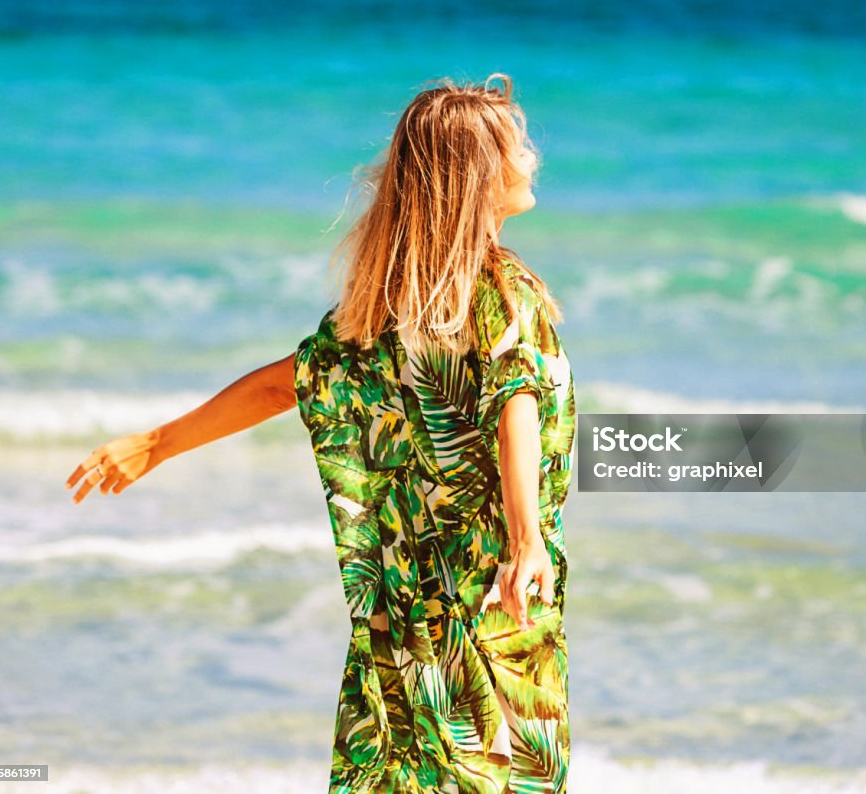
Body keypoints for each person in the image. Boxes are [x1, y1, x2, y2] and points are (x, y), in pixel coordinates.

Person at [65, 74, 577, 793]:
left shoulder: (397, 307)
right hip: (494, 596)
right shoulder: (500, 291)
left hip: (408, 613)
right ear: (478, 176)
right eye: (515, 146)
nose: (531, 157)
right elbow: (514, 401)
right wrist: (526, 543)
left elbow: (285, 383)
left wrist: (157, 444)